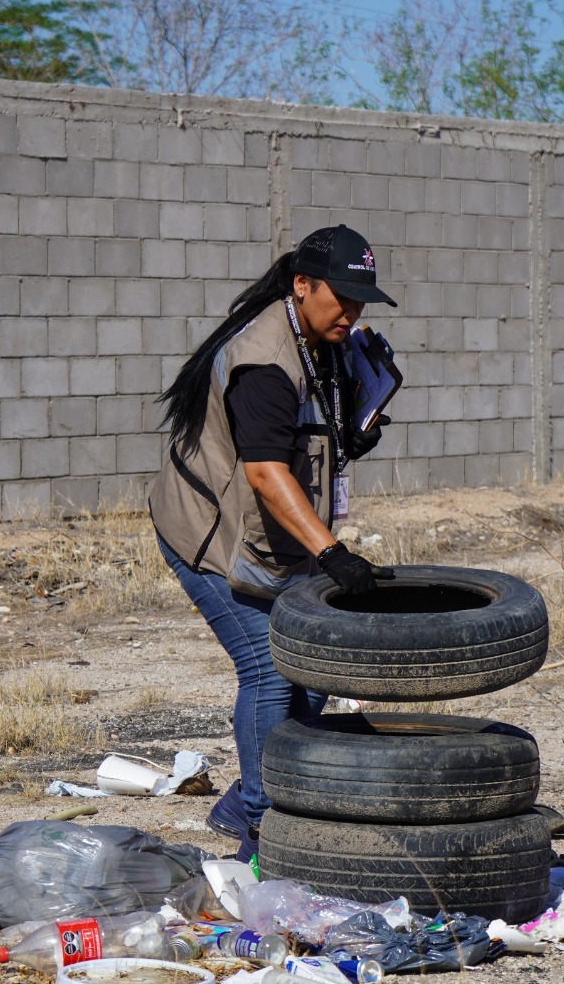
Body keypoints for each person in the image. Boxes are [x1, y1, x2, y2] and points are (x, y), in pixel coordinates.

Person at [148, 225, 397, 861]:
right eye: (340, 296)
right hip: (207, 533)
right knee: (268, 669)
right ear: (301, 285)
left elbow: (312, 436)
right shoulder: (263, 359)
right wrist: (333, 555)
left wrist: (358, 421)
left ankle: (261, 798)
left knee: (310, 673)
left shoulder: (326, 342)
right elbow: (265, 473)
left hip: (269, 538)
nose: (351, 311)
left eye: (360, 299)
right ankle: (262, 828)